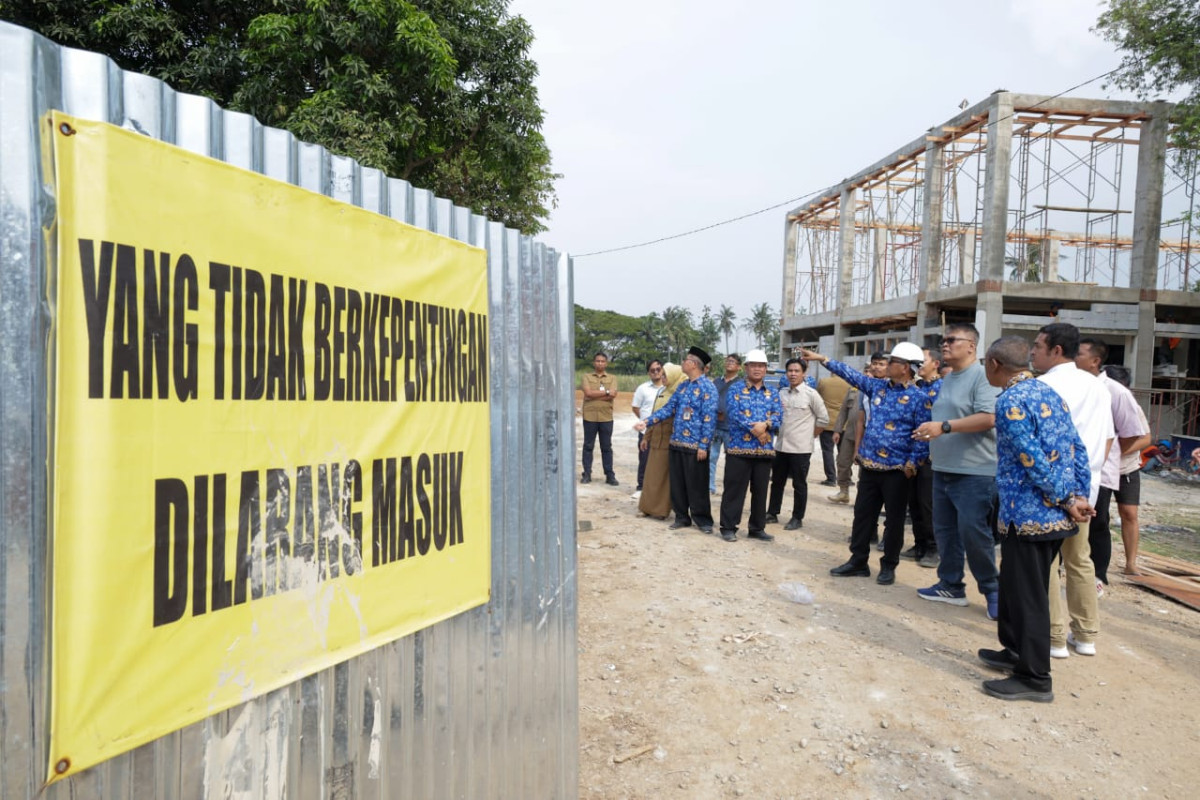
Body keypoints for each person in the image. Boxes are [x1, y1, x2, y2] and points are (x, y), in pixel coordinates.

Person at [976, 336, 1092, 703]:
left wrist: (1066, 498)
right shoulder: (1048, 393)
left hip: (1031, 515)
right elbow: (1076, 446)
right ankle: (1013, 651)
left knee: (1029, 597)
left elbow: (1033, 459)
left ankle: (1035, 677)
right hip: (1038, 514)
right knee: (1013, 587)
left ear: (994, 364)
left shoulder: (1011, 400)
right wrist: (1080, 492)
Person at [802, 343, 928, 584]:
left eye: (892, 362)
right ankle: (858, 561)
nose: (885, 365)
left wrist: (912, 465)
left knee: (894, 520)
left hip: (897, 471)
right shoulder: (877, 387)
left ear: (905, 368)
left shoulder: (919, 399)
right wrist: (822, 358)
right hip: (870, 467)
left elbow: (922, 436)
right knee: (862, 516)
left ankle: (889, 565)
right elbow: (851, 374)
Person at [1032, 322, 1113, 658]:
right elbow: (1107, 439)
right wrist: (1088, 477)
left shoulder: (1042, 386)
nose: (1032, 352)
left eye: (1037, 346)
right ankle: (1086, 634)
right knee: (1080, 560)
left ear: (1056, 350)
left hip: (1050, 488)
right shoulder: (1097, 387)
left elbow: (1035, 441)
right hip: (1085, 488)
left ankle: (1052, 636)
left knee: (1049, 561)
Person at [911, 323, 1001, 618]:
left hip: (974, 471)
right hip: (944, 467)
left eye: (951, 340)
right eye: (943, 340)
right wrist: (931, 433)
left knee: (974, 533)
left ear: (971, 346)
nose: (945, 345)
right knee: (946, 531)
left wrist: (944, 427)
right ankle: (951, 584)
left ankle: (992, 590)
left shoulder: (983, 377)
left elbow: (988, 419)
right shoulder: (949, 379)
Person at [1075, 340, 1151, 588]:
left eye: (1080, 353)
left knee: (1100, 520)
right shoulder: (1073, 385)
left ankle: (1099, 575)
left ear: (1095, 361)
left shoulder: (1115, 391)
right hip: (1077, 466)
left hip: (1111, 468)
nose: (1074, 357)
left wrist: (1109, 454)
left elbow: (1135, 433)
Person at [635, 347, 717, 532]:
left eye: (686, 360)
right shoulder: (683, 386)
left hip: (696, 445)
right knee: (678, 484)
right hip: (677, 442)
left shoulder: (708, 388)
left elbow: (709, 418)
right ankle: (682, 517)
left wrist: (704, 444)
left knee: (697, 485)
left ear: (694, 364)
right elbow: (668, 409)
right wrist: (647, 421)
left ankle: (703, 521)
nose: (683, 363)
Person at [719, 349, 783, 542]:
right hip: (739, 449)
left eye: (761, 366)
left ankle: (757, 527)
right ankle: (728, 527)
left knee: (761, 491)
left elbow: (778, 415)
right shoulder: (736, 389)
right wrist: (757, 430)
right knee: (734, 490)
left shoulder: (772, 392)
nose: (757, 369)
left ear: (766, 369)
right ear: (746, 368)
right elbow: (734, 413)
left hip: (764, 451)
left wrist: (766, 425)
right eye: (753, 365)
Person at [766, 358, 829, 530]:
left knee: (799, 484)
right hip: (781, 447)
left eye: (796, 371)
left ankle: (797, 517)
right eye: (790, 371)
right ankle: (772, 512)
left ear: (803, 374)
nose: (793, 374)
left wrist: (810, 436)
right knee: (777, 482)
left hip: (801, 448)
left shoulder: (811, 394)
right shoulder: (781, 394)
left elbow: (823, 419)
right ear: (786, 373)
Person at [1103, 365, 1150, 576]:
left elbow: (1146, 438)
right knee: (1098, 516)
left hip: (1126, 468)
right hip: (1102, 469)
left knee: (1129, 513)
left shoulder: (1132, 407)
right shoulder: (1097, 403)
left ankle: (1131, 563)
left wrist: (1118, 452)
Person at [902, 349, 941, 568]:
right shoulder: (917, 389)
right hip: (912, 453)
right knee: (914, 503)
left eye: (922, 361)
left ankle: (933, 548)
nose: (918, 365)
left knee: (928, 504)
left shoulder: (942, 388)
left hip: (931, 456)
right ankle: (919, 544)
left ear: (935, 363)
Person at [638, 363, 683, 519]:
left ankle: (661, 511)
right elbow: (654, 414)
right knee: (651, 476)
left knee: (664, 480)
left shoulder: (679, 392)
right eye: (661, 375)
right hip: (656, 438)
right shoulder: (662, 392)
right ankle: (646, 507)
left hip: (669, 441)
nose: (662, 378)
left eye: (665, 375)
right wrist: (646, 436)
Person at [580, 351, 619, 485]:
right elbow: (588, 392)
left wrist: (593, 395)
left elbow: (613, 394)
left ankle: (609, 475)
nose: (600, 363)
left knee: (606, 447)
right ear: (594, 362)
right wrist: (606, 393)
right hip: (590, 416)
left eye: (602, 361)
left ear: (606, 363)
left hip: (606, 417)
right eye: (598, 361)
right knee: (588, 446)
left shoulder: (612, 378)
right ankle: (587, 473)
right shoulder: (586, 377)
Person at [631, 359, 665, 498]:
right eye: (652, 370)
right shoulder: (643, 388)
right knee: (644, 459)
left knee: (661, 462)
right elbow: (635, 407)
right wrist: (645, 422)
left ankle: (658, 489)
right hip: (646, 431)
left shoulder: (668, 388)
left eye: (658, 369)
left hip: (663, 432)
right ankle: (641, 487)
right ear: (648, 373)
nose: (656, 372)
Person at [709, 354, 742, 494]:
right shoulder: (716, 382)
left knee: (732, 460)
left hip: (731, 428)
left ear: (739, 367)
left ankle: (730, 488)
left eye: (733, 362)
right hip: (715, 426)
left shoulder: (741, 384)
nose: (729, 363)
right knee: (711, 458)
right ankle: (709, 487)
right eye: (728, 361)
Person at [816, 369, 851, 487]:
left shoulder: (823, 382)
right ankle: (847, 478)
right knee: (844, 453)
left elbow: (818, 398)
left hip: (827, 422)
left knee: (827, 451)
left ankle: (831, 478)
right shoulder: (849, 383)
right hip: (844, 423)